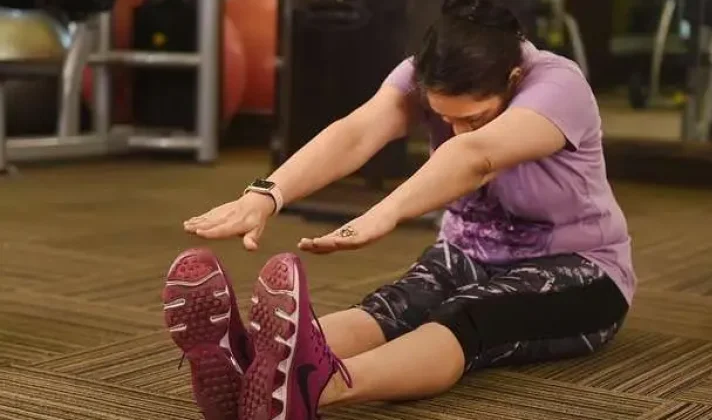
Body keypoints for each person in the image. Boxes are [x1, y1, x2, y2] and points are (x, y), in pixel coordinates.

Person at [164, 1, 635, 419]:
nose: (456, 130)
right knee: (391, 307)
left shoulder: (557, 85)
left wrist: (382, 213)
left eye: (473, 118)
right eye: (444, 118)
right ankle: (246, 362)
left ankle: (315, 389)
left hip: (580, 271)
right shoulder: (419, 73)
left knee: (466, 316)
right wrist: (266, 193)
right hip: (465, 253)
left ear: (512, 80)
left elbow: (475, 157)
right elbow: (356, 133)